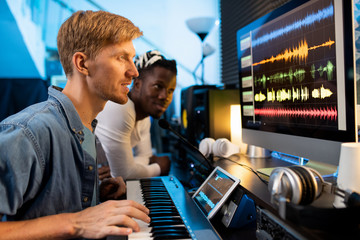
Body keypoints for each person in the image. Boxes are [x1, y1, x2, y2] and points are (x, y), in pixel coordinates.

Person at [0, 10, 151, 239]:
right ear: (82, 63)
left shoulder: (89, 130)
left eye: (132, 58)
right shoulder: (29, 133)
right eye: (121, 57)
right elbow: (78, 223)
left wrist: (96, 197)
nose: (134, 71)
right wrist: (76, 222)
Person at [95, 50, 177, 179]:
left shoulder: (143, 116)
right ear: (138, 84)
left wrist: (125, 168)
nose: (164, 96)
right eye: (157, 86)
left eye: (171, 90)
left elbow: (146, 157)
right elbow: (125, 174)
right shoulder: (121, 107)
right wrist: (159, 167)